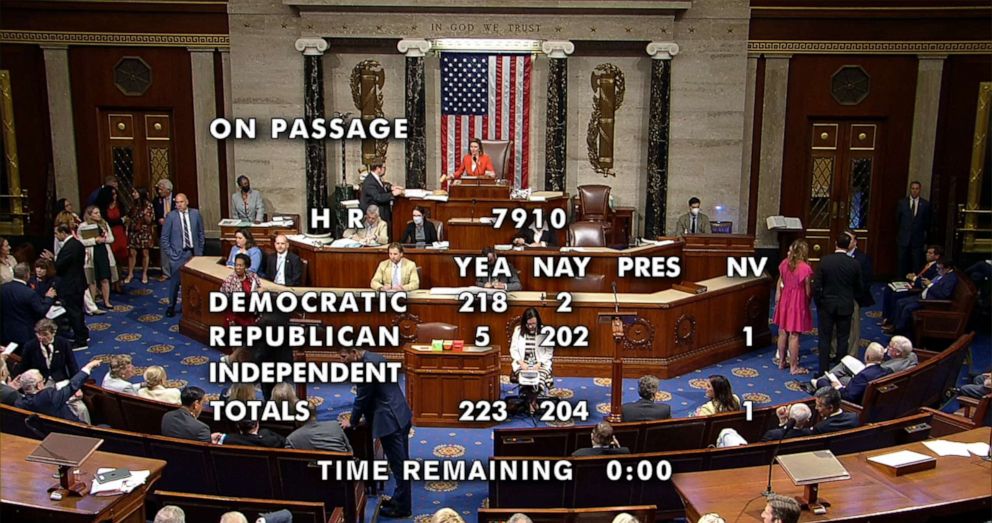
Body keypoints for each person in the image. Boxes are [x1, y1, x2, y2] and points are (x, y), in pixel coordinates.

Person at [338, 346, 413, 518]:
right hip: (399, 412)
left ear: (354, 353)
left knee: (399, 466)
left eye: (343, 357)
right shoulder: (376, 357)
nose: (341, 361)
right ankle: (399, 498)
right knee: (401, 463)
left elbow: (362, 398)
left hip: (389, 421)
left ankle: (403, 508)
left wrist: (352, 421)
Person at [812, 234, 862, 373]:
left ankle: (823, 371)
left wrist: (819, 303)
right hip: (845, 305)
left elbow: (817, 286)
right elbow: (859, 287)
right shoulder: (854, 263)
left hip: (826, 305)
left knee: (824, 339)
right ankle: (840, 371)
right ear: (849, 245)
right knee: (843, 339)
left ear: (835, 243)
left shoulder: (825, 261)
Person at [884, 259, 958, 336]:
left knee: (907, 308)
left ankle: (900, 332)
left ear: (948, 268)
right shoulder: (942, 273)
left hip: (929, 303)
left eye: (939, 268)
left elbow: (944, 295)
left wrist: (930, 285)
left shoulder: (951, 279)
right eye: (937, 268)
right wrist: (925, 283)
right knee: (900, 302)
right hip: (922, 295)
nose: (937, 270)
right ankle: (895, 326)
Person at [772, 239, 813, 375]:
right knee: (794, 334)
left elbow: (781, 281)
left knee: (782, 331)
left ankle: (782, 362)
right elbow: (807, 291)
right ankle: (794, 367)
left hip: (785, 299)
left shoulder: (784, 263)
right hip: (797, 301)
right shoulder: (805, 268)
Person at [15, 359, 102, 422]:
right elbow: (72, 386)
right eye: (43, 381)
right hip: (73, 429)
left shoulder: (19, 403)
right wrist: (88, 367)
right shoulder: (48, 396)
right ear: (38, 385)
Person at [161, 193, 205, 317]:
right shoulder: (171, 216)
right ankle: (171, 306)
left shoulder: (195, 214)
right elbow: (164, 238)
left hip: (193, 254)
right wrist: (171, 254)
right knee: (175, 282)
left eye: (181, 202)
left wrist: (199, 252)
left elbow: (201, 234)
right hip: (177, 255)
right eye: (177, 203)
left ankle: (191, 305)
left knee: (193, 282)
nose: (179, 205)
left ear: (187, 202)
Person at [819, 336, 917, 389]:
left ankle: (820, 381)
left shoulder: (890, 369)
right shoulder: (911, 356)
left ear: (898, 352)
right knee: (846, 364)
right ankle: (821, 381)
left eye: (890, 347)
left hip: (869, 380)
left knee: (843, 371)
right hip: (875, 378)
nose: (887, 348)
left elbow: (875, 374)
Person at [880, 245, 942, 328]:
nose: (927, 254)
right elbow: (920, 275)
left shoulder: (936, 268)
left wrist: (915, 278)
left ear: (937, 256)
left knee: (896, 295)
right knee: (889, 288)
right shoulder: (927, 264)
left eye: (930, 253)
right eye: (927, 252)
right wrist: (913, 276)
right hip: (912, 284)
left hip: (917, 290)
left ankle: (892, 321)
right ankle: (886, 316)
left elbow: (926, 282)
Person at [835, 231, 874, 358]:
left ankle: (851, 355)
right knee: (835, 327)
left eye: (849, 239)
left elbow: (866, 281)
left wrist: (855, 295)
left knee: (853, 329)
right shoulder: (836, 256)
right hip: (835, 297)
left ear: (855, 242)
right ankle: (834, 352)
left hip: (853, 298)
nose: (846, 241)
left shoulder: (862, 259)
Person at [814, 342, 891, 404]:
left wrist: (838, 387)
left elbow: (848, 398)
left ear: (867, 357)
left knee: (821, 382)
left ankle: (815, 385)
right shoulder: (887, 371)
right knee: (842, 378)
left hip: (852, 403)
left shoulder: (863, 376)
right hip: (870, 400)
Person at [51, 224, 90, 347]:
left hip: (71, 285)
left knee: (74, 312)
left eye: (57, 234)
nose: (56, 237)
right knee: (78, 310)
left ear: (63, 233)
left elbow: (59, 266)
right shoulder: (77, 243)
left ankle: (81, 340)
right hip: (78, 282)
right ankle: (83, 334)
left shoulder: (70, 247)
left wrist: (52, 260)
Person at [510, 307, 554, 413]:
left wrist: (539, 364)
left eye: (533, 324)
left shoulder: (544, 331)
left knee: (539, 378)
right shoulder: (518, 331)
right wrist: (521, 362)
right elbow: (513, 349)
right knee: (526, 378)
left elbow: (549, 352)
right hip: (522, 363)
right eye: (529, 324)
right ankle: (532, 402)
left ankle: (531, 401)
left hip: (540, 363)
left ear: (537, 321)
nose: (531, 327)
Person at [1, 263, 51, 347]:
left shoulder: (2, 288)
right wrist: (48, 298)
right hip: (25, 335)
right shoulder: (29, 293)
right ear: (27, 275)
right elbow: (41, 310)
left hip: (5, 333)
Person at [15, 319, 79, 384]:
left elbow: (72, 365)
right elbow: (24, 367)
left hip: (60, 380)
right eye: (39, 334)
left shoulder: (63, 343)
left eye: (45, 334)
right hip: (39, 382)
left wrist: (76, 385)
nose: (41, 337)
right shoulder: (30, 346)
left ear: (53, 333)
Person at [81, 204, 119, 309]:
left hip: (103, 253)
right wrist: (94, 240)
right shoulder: (83, 226)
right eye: (96, 213)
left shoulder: (104, 224)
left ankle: (106, 301)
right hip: (91, 254)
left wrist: (103, 239)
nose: (99, 215)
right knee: (92, 280)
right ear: (89, 215)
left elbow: (111, 238)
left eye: (99, 213)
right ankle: (92, 303)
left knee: (105, 278)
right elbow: (81, 241)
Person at [896, 180, 931, 277]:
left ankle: (915, 282)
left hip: (917, 239)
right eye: (913, 188)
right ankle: (900, 281)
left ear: (920, 190)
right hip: (904, 239)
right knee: (902, 262)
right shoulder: (902, 203)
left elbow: (927, 222)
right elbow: (897, 220)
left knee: (917, 263)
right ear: (910, 190)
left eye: (917, 189)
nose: (914, 191)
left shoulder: (925, 204)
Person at [285, 403, 353, 453]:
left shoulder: (291, 439)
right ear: (315, 414)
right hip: (341, 470)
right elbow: (350, 452)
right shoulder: (335, 426)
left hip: (308, 472)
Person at [220, 253, 264, 328]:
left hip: (250, 315)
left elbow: (260, 289)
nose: (237, 267)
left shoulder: (253, 276)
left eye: (240, 265)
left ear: (246, 266)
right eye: (236, 265)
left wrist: (259, 291)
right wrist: (231, 319)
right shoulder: (229, 280)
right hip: (235, 317)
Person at [125, 187, 155, 284]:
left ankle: (144, 273)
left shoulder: (148, 205)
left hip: (144, 232)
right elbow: (129, 217)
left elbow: (150, 221)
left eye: (135, 192)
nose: (133, 194)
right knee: (132, 253)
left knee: (145, 253)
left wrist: (146, 215)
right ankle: (130, 273)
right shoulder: (133, 205)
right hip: (133, 232)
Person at [96, 185, 129, 272]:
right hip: (110, 231)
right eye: (113, 194)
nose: (115, 196)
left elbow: (124, 218)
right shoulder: (102, 207)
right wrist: (119, 221)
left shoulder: (120, 205)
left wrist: (121, 222)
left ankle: (119, 275)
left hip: (119, 232)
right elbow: (107, 221)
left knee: (120, 255)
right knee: (111, 255)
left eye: (115, 193)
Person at [359, 163, 403, 227]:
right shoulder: (369, 181)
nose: (385, 170)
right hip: (374, 217)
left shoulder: (374, 178)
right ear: (378, 169)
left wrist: (391, 187)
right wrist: (393, 193)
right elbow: (378, 197)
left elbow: (381, 186)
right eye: (384, 168)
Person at [154, 179, 177, 280]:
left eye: (161, 189)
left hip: (175, 229)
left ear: (168, 190)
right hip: (163, 229)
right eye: (158, 189)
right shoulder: (156, 200)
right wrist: (159, 220)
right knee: (164, 252)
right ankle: (166, 273)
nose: (159, 191)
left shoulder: (177, 198)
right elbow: (154, 215)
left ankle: (176, 272)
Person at [212, 418, 286, 448]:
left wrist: (222, 437)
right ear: (257, 424)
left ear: (237, 426)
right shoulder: (270, 440)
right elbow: (286, 442)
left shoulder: (227, 440)